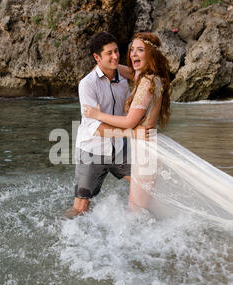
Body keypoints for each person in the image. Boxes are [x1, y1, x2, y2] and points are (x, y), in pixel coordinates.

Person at [64, 32, 150, 218]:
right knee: (81, 206)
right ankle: (64, 235)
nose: (115, 56)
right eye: (109, 53)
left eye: (117, 51)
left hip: (120, 148)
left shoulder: (123, 78)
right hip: (92, 149)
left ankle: (140, 223)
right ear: (97, 57)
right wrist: (132, 133)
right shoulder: (87, 84)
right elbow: (98, 128)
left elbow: (141, 76)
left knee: (143, 183)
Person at [83, 32, 171, 211]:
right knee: (144, 209)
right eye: (132, 50)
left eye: (140, 50)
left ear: (151, 54)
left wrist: (97, 114)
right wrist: (99, 69)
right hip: (146, 148)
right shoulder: (150, 78)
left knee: (135, 212)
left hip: (145, 152)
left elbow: (130, 122)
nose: (133, 54)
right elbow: (123, 70)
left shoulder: (147, 82)